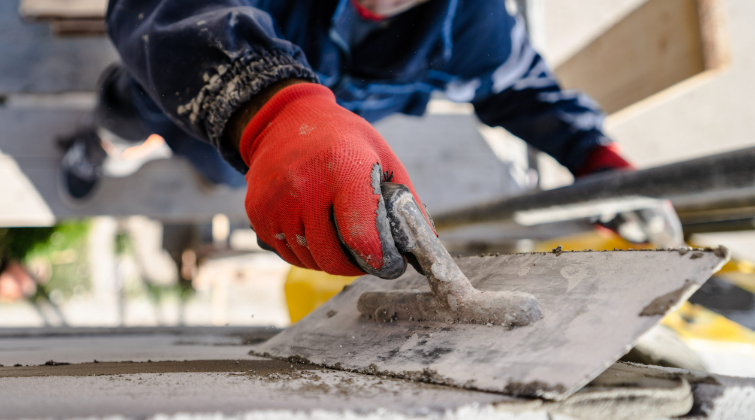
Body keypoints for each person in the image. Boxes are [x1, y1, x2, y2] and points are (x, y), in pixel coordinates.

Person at [62, 0, 633, 279]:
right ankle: (105, 146)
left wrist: (592, 154)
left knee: (213, 170)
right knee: (128, 112)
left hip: (268, 152)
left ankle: (191, 157)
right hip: (185, 79)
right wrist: (268, 101)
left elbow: (522, 86)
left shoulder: (470, 24)